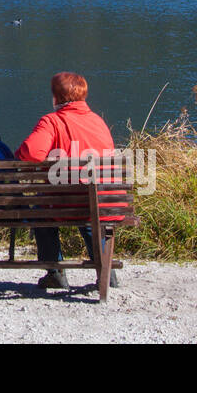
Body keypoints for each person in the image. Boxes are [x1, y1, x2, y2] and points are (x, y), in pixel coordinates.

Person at [15, 71, 119, 290]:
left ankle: (55, 272)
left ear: (56, 97)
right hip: (106, 201)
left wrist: (19, 153)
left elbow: (32, 153)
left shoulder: (52, 121)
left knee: (41, 210)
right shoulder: (98, 122)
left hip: (68, 202)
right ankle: (106, 273)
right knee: (89, 210)